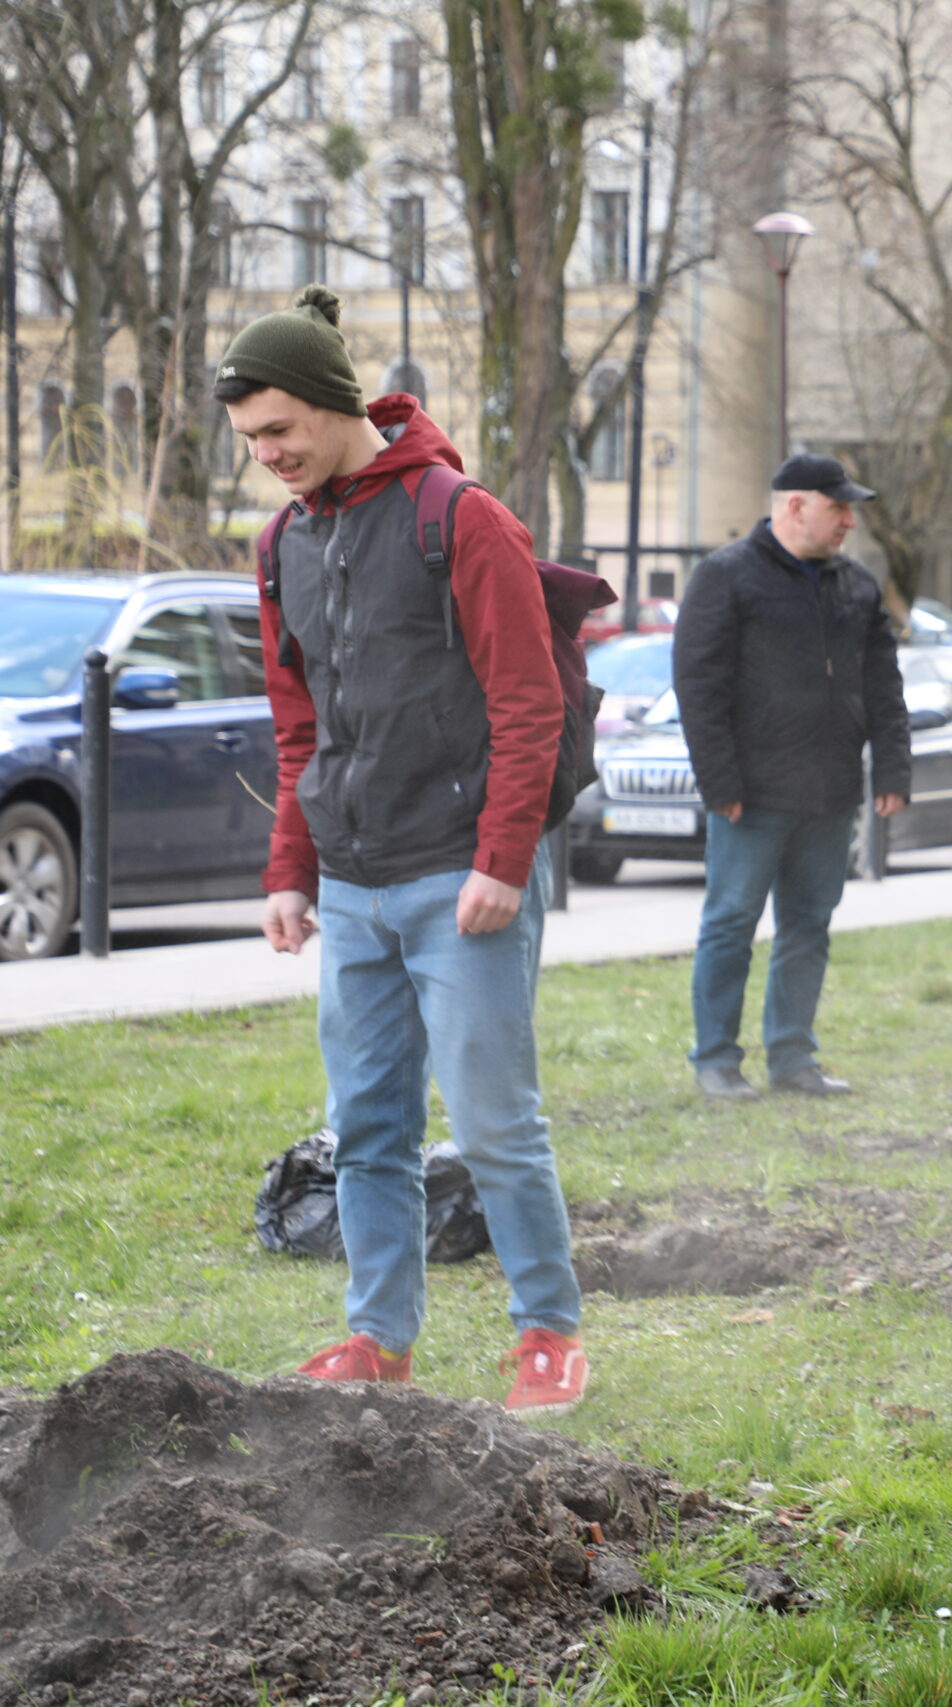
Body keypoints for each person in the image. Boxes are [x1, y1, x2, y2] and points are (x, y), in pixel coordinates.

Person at [222, 285, 585, 1413]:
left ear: (335, 406)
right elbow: (301, 730)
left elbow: (529, 705)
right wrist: (290, 871)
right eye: (249, 442)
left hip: (458, 881)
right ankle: (379, 1338)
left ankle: (548, 1336)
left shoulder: (457, 515)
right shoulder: (284, 541)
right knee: (367, 1130)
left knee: (491, 1122)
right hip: (354, 886)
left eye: (279, 430)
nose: (267, 456)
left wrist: (503, 859)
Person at [674, 457, 910, 1100]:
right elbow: (699, 687)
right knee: (730, 924)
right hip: (750, 797)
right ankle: (716, 1060)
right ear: (795, 507)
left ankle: (793, 1058)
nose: (850, 521)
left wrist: (891, 767)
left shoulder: (857, 586)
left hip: (830, 791)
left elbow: (884, 687)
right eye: (839, 508)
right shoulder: (725, 577)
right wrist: (718, 783)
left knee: (809, 927)